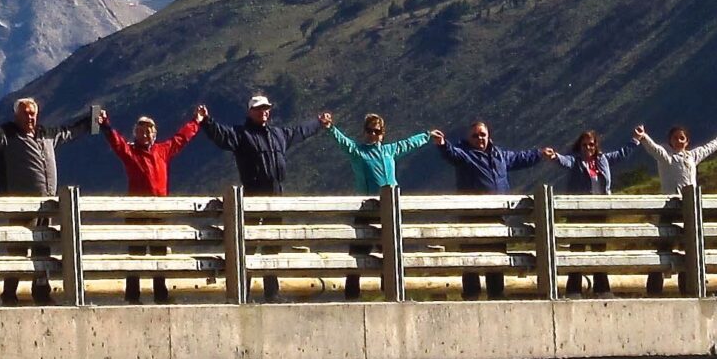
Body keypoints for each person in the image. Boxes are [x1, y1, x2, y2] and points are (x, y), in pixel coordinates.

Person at [0, 93, 93, 304]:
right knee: (18, 248)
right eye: (25, 114)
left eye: (32, 114)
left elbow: (70, 132)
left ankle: (41, 291)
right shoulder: (8, 134)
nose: (30, 117)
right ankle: (9, 293)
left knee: (43, 247)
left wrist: (92, 120)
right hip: (21, 204)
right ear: (16, 115)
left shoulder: (46, 134)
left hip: (46, 204)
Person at [197, 95, 323, 299]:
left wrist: (318, 123)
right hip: (252, 195)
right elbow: (221, 135)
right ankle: (243, 293)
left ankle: (272, 293)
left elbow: (300, 132)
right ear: (250, 112)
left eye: (266, 108)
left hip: (276, 195)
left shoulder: (278, 134)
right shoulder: (241, 134)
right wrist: (206, 121)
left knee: (272, 244)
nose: (263, 111)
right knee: (247, 244)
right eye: (258, 108)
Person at [324, 111, 434, 298]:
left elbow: (408, 144)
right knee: (358, 253)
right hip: (367, 209)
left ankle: (390, 294)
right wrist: (330, 128)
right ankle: (351, 295)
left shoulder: (390, 150)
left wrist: (427, 136)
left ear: (383, 133)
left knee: (390, 253)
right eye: (370, 131)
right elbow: (343, 141)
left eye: (377, 131)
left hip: (388, 208)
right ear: (364, 132)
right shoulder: (358, 151)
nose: (373, 135)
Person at [96, 108, 202, 302]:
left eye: (148, 131)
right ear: (135, 133)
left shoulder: (163, 150)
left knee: (159, 253)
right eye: (141, 131)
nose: (145, 134)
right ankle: (132, 295)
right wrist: (105, 125)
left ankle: (161, 294)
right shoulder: (130, 152)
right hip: (136, 211)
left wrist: (196, 121)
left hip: (159, 211)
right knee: (135, 254)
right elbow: (116, 142)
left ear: (154, 134)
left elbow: (181, 138)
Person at [435, 119, 540, 298]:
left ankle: (496, 294)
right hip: (472, 217)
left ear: (488, 135)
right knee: (471, 258)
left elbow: (520, 158)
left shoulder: (500, 155)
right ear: (469, 138)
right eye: (475, 136)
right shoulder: (465, 154)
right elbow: (451, 154)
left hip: (497, 217)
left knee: (496, 257)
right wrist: (443, 144)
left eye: (482, 134)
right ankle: (471, 295)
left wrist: (539, 154)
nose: (479, 138)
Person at [632, 123, 717, 293]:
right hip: (669, 207)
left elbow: (709, 147)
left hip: (689, 207)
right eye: (675, 138)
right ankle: (654, 289)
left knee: (690, 249)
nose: (678, 141)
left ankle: (687, 288)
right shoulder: (666, 156)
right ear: (670, 140)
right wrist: (644, 137)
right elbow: (654, 148)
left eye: (682, 138)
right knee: (663, 248)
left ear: (687, 141)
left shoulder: (692, 156)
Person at [540, 130, 629, 295]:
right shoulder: (575, 161)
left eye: (591, 144)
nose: (588, 147)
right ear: (579, 146)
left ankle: (602, 288)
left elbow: (621, 154)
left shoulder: (603, 159)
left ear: (596, 145)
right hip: (578, 211)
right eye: (585, 145)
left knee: (599, 248)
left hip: (599, 210)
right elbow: (564, 161)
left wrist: (636, 141)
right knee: (577, 248)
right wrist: (554, 156)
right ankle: (574, 289)